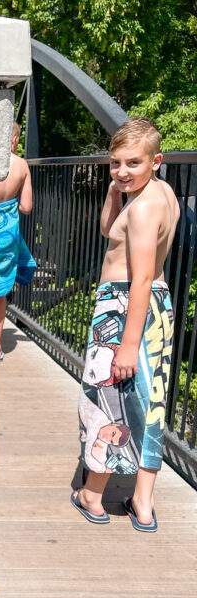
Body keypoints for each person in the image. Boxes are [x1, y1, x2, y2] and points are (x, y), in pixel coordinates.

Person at [72, 118, 179, 532]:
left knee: (107, 401)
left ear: (157, 160)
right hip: (157, 308)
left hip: (123, 308)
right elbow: (106, 230)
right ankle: (143, 503)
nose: (122, 171)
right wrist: (117, 189)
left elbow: (140, 276)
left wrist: (127, 345)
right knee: (150, 403)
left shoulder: (144, 207)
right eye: (115, 163)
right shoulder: (159, 194)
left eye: (133, 162)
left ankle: (93, 495)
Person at [0, 122, 34, 361]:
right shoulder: (21, 165)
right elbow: (26, 206)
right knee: (0, 291)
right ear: (15, 140)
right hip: (7, 235)